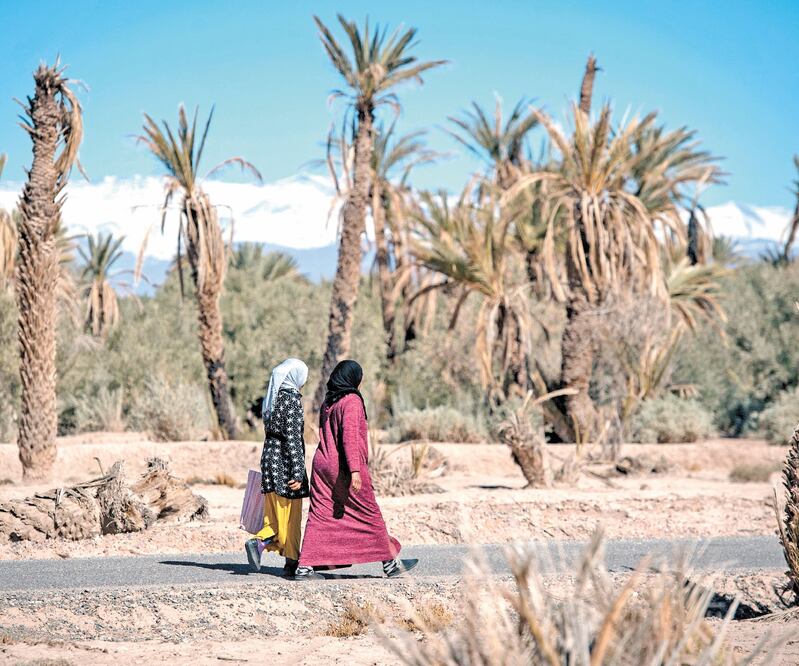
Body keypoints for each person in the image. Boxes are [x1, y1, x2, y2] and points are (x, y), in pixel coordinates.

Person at [294, 359, 417, 580]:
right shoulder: (351, 401)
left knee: (320, 514)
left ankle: (305, 567)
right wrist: (355, 471)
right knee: (369, 512)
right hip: (343, 466)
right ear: (353, 379)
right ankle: (389, 564)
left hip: (322, 464)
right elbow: (349, 438)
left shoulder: (329, 402)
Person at [245, 358, 310, 577]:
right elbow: (293, 439)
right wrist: (298, 472)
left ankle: (281, 554)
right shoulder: (291, 401)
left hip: (270, 462)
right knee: (290, 516)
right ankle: (282, 554)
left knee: (273, 513)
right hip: (285, 464)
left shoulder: (272, 400)